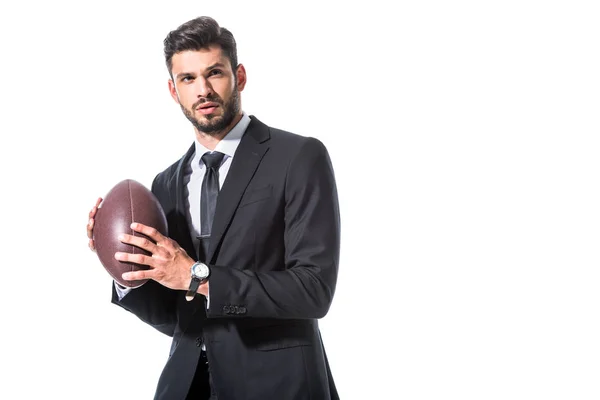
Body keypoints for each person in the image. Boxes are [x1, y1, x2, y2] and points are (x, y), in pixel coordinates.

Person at [86, 16, 341, 400]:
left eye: (214, 73)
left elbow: (314, 290)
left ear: (239, 75)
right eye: (187, 79)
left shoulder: (298, 157)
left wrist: (197, 276)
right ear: (173, 91)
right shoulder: (166, 183)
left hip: (279, 384)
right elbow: (178, 317)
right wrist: (124, 268)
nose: (203, 90)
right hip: (187, 384)